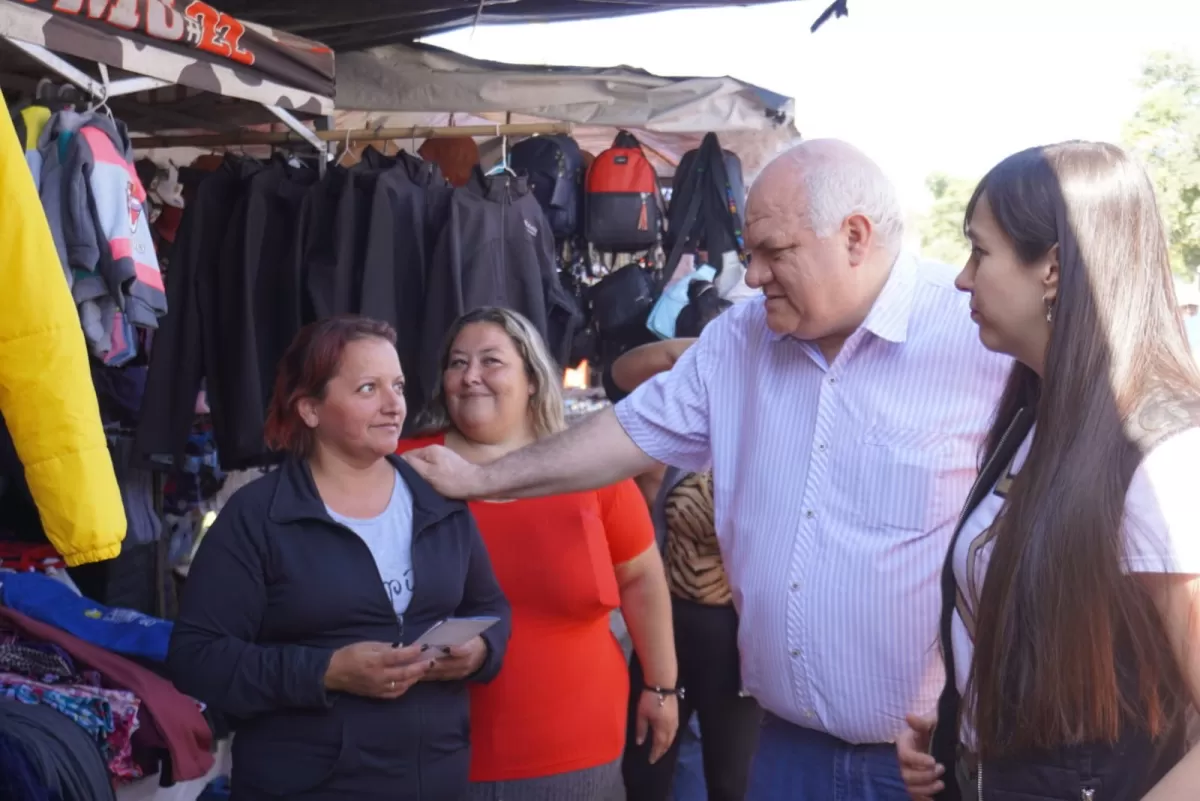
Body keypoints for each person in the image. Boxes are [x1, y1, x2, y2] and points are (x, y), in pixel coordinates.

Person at [403, 139, 1012, 800]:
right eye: (749, 253)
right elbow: (627, 433)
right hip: (785, 746)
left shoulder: (978, 339)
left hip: (926, 764)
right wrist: (484, 479)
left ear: (855, 237)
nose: (751, 276)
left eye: (774, 252)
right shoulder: (740, 338)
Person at [896, 142, 1200, 801]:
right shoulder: (1035, 414)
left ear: (1054, 267)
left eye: (980, 251)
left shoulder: (1163, 454)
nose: (961, 278)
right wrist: (961, 727)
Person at [168, 316, 511, 801]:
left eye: (398, 386)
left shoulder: (437, 498)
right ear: (310, 408)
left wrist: (481, 652)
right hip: (306, 785)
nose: (395, 406)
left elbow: (492, 605)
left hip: (434, 778)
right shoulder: (259, 516)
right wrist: (324, 672)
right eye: (368, 388)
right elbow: (196, 658)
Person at [396, 306, 677, 801]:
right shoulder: (407, 468)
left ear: (532, 378)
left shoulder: (585, 467)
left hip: (580, 751)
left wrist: (661, 687)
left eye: (491, 361)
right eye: (457, 363)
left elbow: (641, 577)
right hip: (436, 751)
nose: (471, 376)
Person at [609, 283, 765, 801]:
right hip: (667, 623)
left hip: (735, 640)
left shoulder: (771, 444)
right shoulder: (674, 444)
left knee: (730, 782)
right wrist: (710, 347)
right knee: (647, 771)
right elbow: (620, 375)